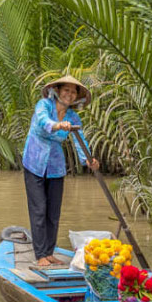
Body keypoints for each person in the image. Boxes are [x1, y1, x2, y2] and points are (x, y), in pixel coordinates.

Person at [22, 75, 100, 268]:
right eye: (66, 90)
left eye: (73, 92)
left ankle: (49, 252)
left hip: (56, 166)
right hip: (34, 162)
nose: (70, 94)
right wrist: (57, 125)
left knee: (53, 213)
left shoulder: (73, 117)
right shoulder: (44, 105)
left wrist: (89, 160)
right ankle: (40, 254)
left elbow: (79, 140)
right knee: (39, 209)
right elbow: (43, 122)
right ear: (57, 91)